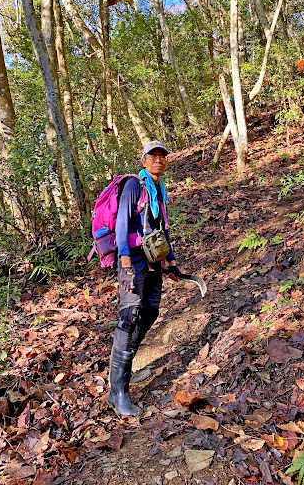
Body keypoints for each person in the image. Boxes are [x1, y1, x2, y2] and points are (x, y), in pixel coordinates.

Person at [108, 140, 180, 417]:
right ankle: (118, 393)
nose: (158, 160)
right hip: (133, 260)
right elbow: (122, 224)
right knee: (129, 316)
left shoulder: (158, 189)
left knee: (149, 311)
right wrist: (124, 260)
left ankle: (125, 362)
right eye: (153, 155)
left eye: (162, 156)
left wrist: (171, 260)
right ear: (144, 160)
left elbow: (161, 226)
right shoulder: (133, 186)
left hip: (153, 259)